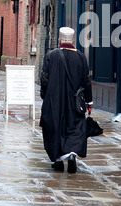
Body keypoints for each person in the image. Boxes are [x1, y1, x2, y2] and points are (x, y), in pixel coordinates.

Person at [40, 27, 93, 173]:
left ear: (59, 41)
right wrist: (89, 101)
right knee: (74, 126)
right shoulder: (81, 57)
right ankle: (71, 154)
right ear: (73, 41)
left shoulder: (50, 56)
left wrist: (44, 95)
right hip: (75, 101)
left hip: (53, 100)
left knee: (54, 127)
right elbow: (86, 81)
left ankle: (57, 160)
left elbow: (44, 78)